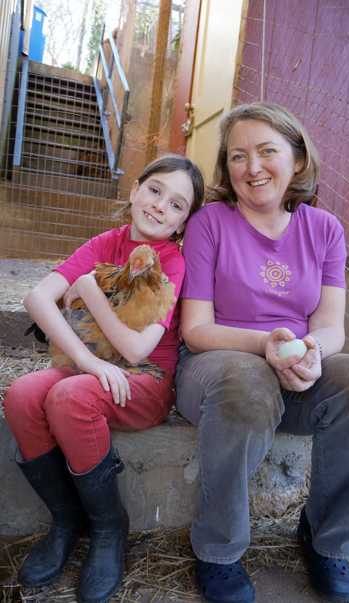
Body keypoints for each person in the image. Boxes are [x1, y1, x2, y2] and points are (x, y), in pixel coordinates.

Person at [175, 103, 349, 603]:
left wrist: (313, 352)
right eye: (237, 156)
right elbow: (197, 330)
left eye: (267, 151)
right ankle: (219, 550)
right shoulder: (211, 223)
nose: (252, 167)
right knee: (245, 383)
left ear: (297, 159)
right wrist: (263, 346)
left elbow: (331, 326)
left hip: (295, 370)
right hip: (218, 370)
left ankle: (326, 539)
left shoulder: (325, 230)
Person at [3, 154, 204, 603]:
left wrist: (89, 290)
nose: (159, 207)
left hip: (146, 379)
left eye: (177, 205)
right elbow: (39, 298)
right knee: (20, 395)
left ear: (182, 223)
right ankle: (66, 519)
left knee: (70, 396)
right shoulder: (103, 243)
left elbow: (136, 350)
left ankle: (109, 528)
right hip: (91, 363)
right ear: (134, 190)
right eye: (155, 191)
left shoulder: (170, 262)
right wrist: (86, 360)